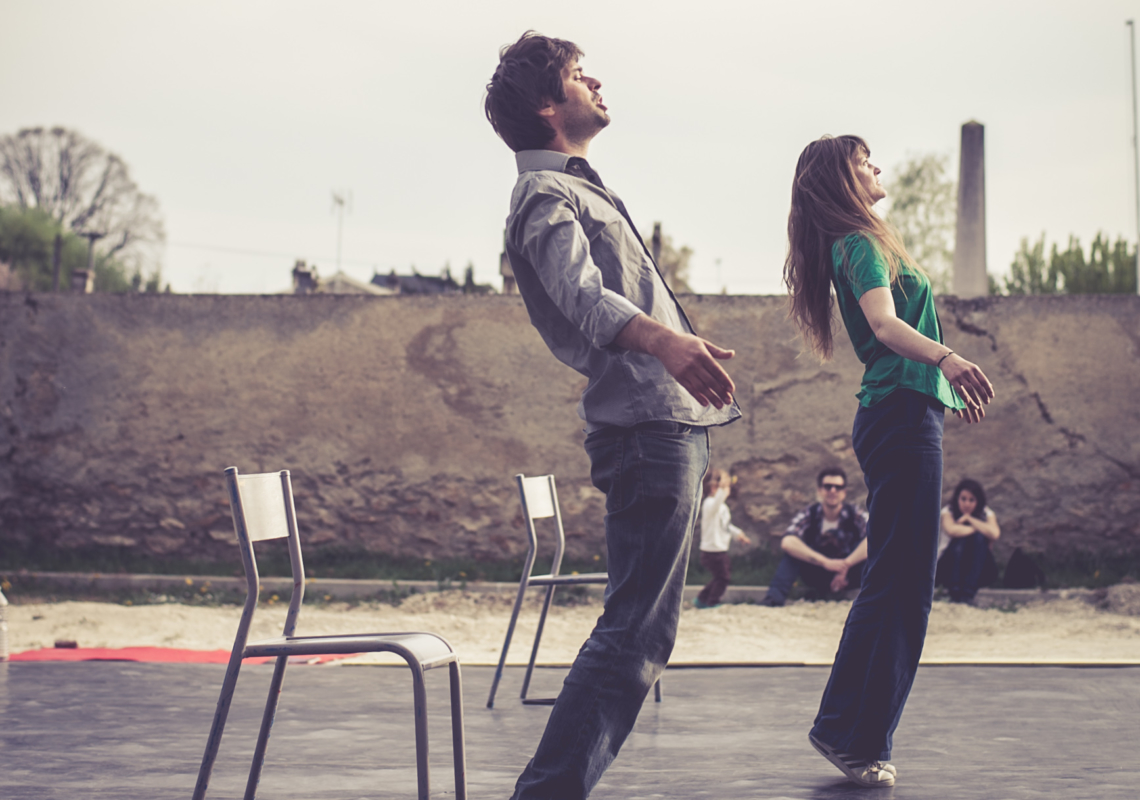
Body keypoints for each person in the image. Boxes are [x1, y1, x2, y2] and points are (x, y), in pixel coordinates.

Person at [484, 32, 741, 800]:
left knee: (641, 629)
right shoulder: (543, 195)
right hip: (646, 432)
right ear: (546, 105)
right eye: (575, 75)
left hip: (666, 426)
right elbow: (582, 297)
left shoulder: (578, 187)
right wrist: (668, 342)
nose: (594, 81)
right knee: (635, 630)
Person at [783, 135, 995, 788]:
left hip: (906, 413)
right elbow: (883, 326)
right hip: (898, 417)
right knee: (902, 584)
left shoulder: (866, 240)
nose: (878, 167)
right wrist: (947, 360)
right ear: (842, 178)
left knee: (900, 580)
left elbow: (897, 330)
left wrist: (936, 388)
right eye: (864, 160)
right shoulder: (859, 243)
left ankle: (848, 731)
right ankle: (853, 735)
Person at [761, 467, 868, 607]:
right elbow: (788, 541)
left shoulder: (855, 514)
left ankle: (881, 601)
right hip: (817, 573)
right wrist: (825, 562)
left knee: (873, 553)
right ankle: (773, 599)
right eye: (828, 486)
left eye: (838, 487)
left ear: (844, 492)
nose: (833, 491)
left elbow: (877, 538)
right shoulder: (809, 513)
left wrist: (846, 564)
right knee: (793, 555)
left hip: (850, 573)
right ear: (819, 490)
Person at [937, 478, 1001, 603]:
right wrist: (978, 528)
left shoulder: (986, 513)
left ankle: (968, 592)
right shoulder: (947, 512)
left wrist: (969, 519)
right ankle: (954, 590)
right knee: (962, 540)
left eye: (971, 500)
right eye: (963, 499)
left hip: (979, 567)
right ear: (957, 498)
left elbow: (995, 533)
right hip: (948, 565)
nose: (967, 504)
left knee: (979, 540)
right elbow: (952, 530)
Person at [695, 468, 752, 609]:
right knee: (723, 577)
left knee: (720, 577)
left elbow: (726, 526)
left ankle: (701, 599)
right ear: (714, 488)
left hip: (719, 550)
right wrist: (723, 485)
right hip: (712, 551)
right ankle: (711, 602)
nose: (728, 491)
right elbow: (717, 501)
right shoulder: (709, 504)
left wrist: (738, 534)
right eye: (725, 488)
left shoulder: (722, 508)